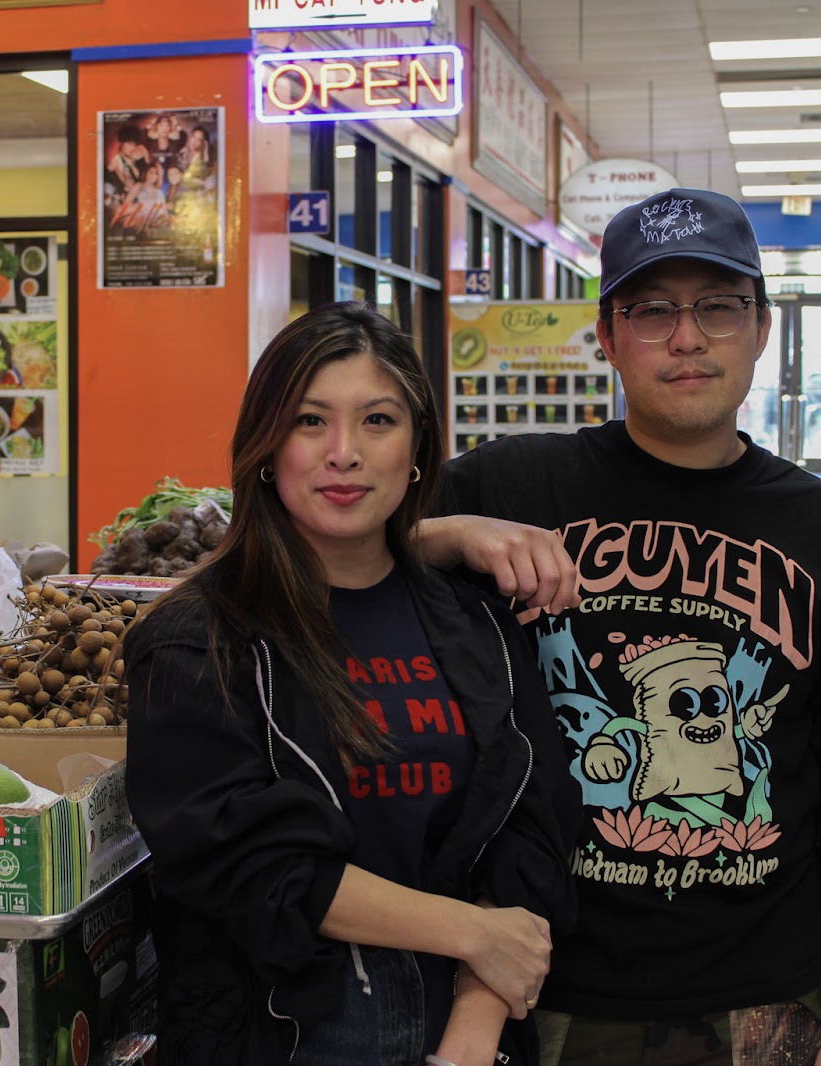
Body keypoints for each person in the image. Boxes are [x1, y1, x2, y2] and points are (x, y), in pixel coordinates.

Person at [417, 187, 821, 1065]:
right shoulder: (509, 487)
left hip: (769, 998)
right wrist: (447, 532)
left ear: (762, 328)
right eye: (652, 311)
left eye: (718, 307)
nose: (687, 338)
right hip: (546, 993)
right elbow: (328, 562)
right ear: (607, 336)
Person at [123, 302, 580, 1065]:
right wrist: (470, 931)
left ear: (418, 447)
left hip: (470, 1029)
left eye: (377, 420)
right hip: (287, 1033)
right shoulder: (197, 640)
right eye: (310, 421)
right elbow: (254, 868)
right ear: (267, 447)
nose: (344, 453)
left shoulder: (476, 622)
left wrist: (474, 1025)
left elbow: (531, 825)